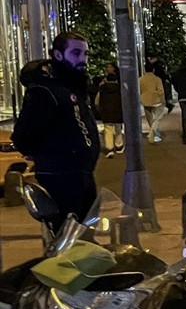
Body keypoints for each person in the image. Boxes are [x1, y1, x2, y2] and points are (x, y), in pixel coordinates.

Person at [12, 31, 100, 232]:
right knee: (65, 236)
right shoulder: (46, 90)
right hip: (61, 177)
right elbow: (24, 134)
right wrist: (52, 154)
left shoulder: (70, 87)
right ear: (58, 55)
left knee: (84, 236)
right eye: (76, 53)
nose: (82, 60)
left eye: (85, 54)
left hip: (81, 175)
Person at [94, 65, 124, 158]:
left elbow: (96, 102)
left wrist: (100, 109)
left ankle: (109, 148)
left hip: (106, 112)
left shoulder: (102, 89)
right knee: (118, 129)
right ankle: (119, 146)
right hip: (118, 111)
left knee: (108, 129)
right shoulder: (120, 89)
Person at [138, 62, 167, 143]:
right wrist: (162, 99)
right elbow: (161, 91)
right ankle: (152, 133)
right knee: (156, 119)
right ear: (153, 70)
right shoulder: (157, 79)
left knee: (149, 118)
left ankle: (153, 133)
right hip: (156, 101)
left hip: (145, 101)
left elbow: (138, 91)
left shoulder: (140, 79)